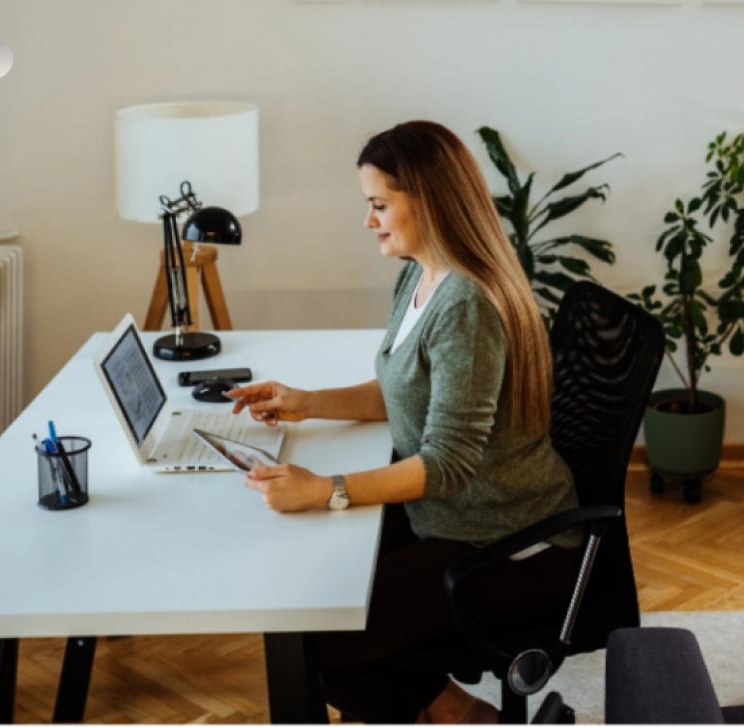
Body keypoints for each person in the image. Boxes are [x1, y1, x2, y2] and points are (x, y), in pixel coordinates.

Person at [225, 121, 583, 726]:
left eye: (379, 204)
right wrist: (306, 401)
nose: (369, 221)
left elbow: (446, 465)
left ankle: (460, 720)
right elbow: (402, 392)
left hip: (509, 543)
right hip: (453, 517)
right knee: (311, 603)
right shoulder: (419, 274)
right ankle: (472, 719)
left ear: (430, 199)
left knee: (318, 641)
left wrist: (326, 490)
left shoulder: (466, 303)